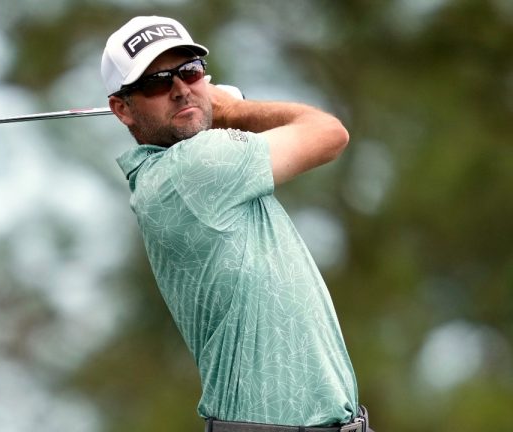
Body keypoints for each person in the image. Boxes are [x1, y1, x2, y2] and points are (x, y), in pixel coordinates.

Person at [101, 16, 374, 432]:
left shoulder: (182, 171)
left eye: (189, 72)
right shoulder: (194, 168)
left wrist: (214, 112)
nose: (180, 89)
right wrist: (232, 108)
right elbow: (329, 133)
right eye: (157, 82)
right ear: (123, 109)